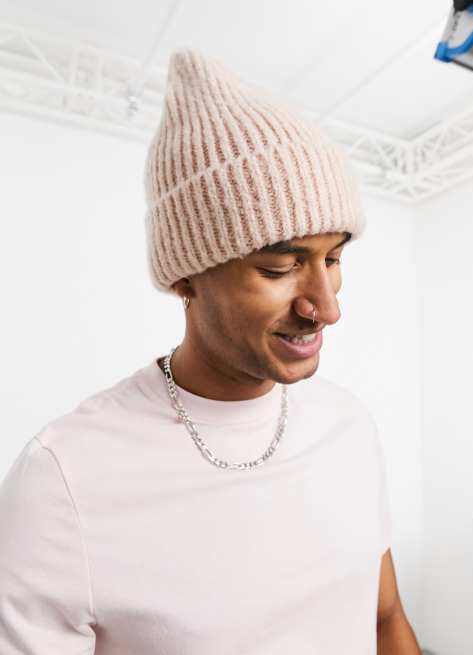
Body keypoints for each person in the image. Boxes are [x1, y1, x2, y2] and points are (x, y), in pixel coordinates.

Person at [0, 48, 421, 654]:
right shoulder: (64, 477)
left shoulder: (349, 426)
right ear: (185, 278)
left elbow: (384, 620)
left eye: (333, 259)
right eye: (280, 267)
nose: (326, 307)